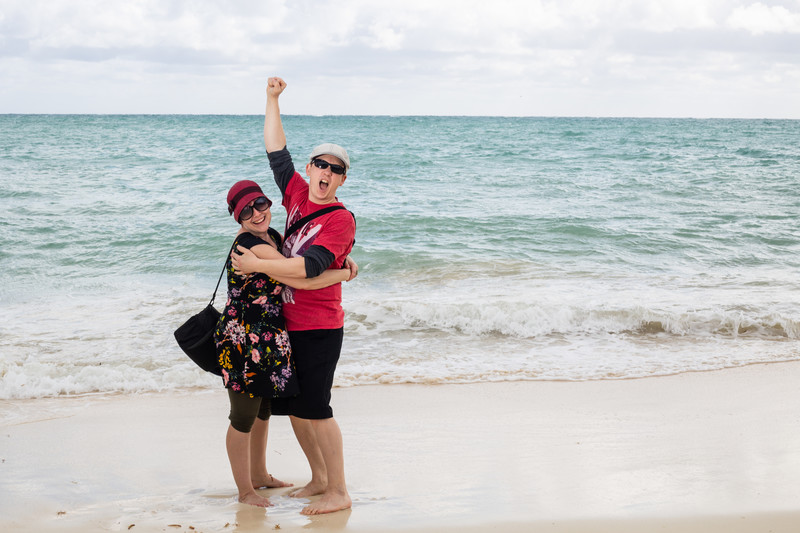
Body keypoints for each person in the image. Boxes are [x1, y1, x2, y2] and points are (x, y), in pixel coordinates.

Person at [230, 76, 356, 515]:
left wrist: (263, 265)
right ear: (310, 170)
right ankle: (320, 479)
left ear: (342, 179)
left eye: (335, 169)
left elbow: (307, 268)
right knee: (299, 411)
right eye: (320, 165)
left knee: (317, 410)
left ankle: (339, 490)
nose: (325, 173)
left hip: (321, 327)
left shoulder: (341, 220)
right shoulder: (298, 195)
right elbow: (275, 150)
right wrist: (271, 99)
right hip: (289, 325)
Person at [215, 179, 352, 508]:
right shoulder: (253, 245)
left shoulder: (274, 237)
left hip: (269, 336)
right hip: (245, 338)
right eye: (245, 210)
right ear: (238, 218)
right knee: (243, 416)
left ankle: (259, 474)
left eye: (259, 203)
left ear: (268, 202)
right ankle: (245, 490)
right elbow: (299, 277)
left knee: (263, 410)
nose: (256, 213)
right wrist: (345, 274)